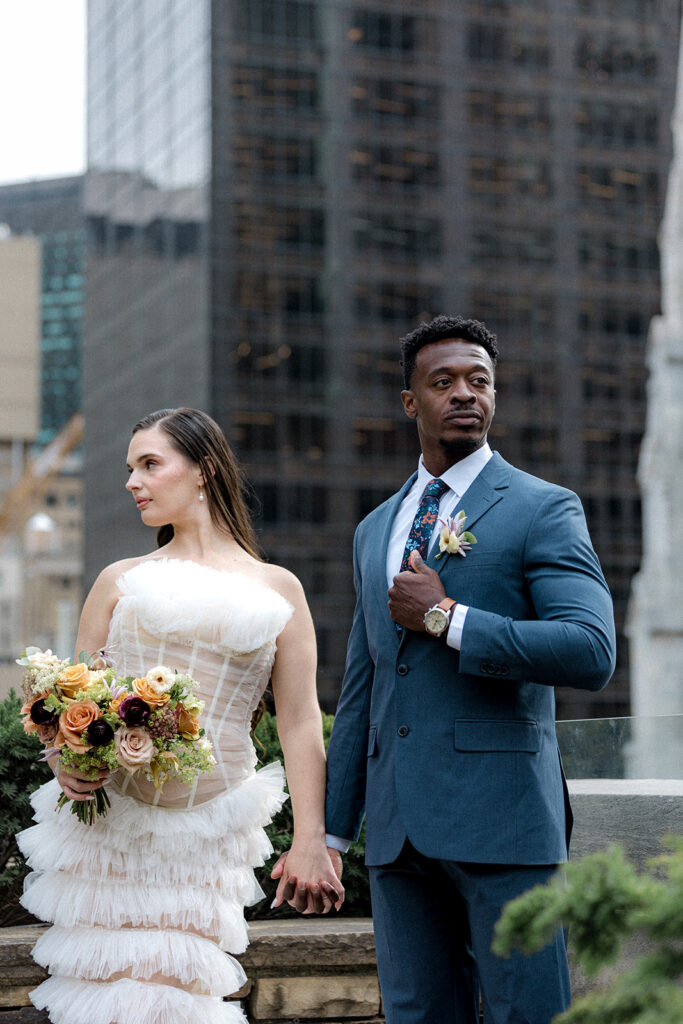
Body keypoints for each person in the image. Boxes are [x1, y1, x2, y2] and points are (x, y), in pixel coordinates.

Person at [324, 315, 616, 1024]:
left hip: (505, 823)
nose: (464, 394)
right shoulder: (374, 530)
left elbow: (590, 649)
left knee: (528, 1015)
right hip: (398, 838)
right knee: (417, 1015)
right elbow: (363, 687)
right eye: (443, 381)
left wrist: (445, 618)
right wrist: (332, 835)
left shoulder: (542, 507)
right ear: (409, 402)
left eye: (478, 381)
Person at [17, 407, 343, 1024]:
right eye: (129, 468)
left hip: (207, 833)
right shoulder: (118, 580)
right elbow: (70, 704)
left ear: (204, 470)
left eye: (149, 464)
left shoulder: (279, 587)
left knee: (174, 997)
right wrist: (66, 764)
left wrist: (310, 841)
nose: (133, 481)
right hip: (108, 827)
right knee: (104, 992)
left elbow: (300, 722)